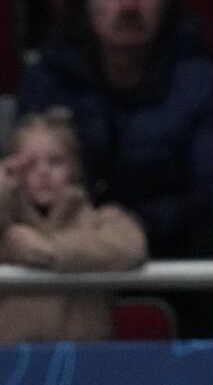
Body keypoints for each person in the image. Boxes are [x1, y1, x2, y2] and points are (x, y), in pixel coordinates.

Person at [18, 0, 213, 259]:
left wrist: (139, 224)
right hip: (70, 247)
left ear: (166, 0)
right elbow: (28, 182)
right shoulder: (47, 81)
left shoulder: (207, 83)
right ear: (85, 4)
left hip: (175, 247)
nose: (129, 5)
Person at [0, 110, 147, 344]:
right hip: (11, 369)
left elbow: (131, 246)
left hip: (83, 367)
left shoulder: (100, 220)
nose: (43, 172)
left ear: (75, 169)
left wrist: (52, 251)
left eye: (56, 161)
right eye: (29, 165)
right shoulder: (4, 225)